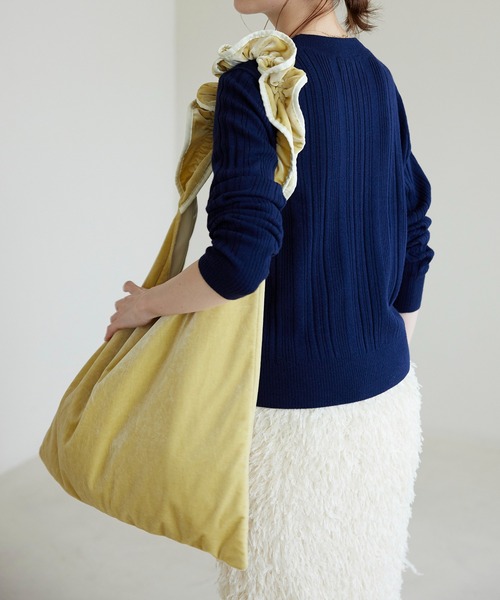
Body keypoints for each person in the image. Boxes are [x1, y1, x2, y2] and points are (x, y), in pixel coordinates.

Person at [104, 0, 435, 598]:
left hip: (289, 423)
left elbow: (239, 260)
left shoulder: (256, 83)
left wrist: (144, 306)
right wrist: (390, 342)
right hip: (386, 402)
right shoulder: (375, 75)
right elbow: (415, 226)